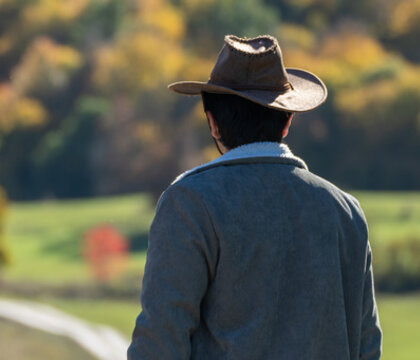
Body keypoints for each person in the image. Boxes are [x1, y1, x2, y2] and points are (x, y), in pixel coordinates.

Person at [127, 35, 382, 359]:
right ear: (287, 120)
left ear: (212, 123)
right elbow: (367, 346)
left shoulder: (190, 203)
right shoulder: (345, 211)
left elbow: (159, 343)